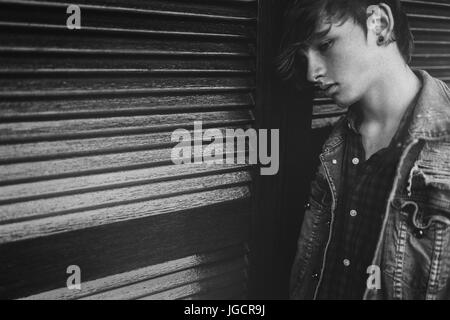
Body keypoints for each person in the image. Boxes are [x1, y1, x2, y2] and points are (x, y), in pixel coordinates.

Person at [277, 0, 450, 299]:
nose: (311, 73)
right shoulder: (330, 145)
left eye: (326, 44)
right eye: (305, 56)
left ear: (379, 24)